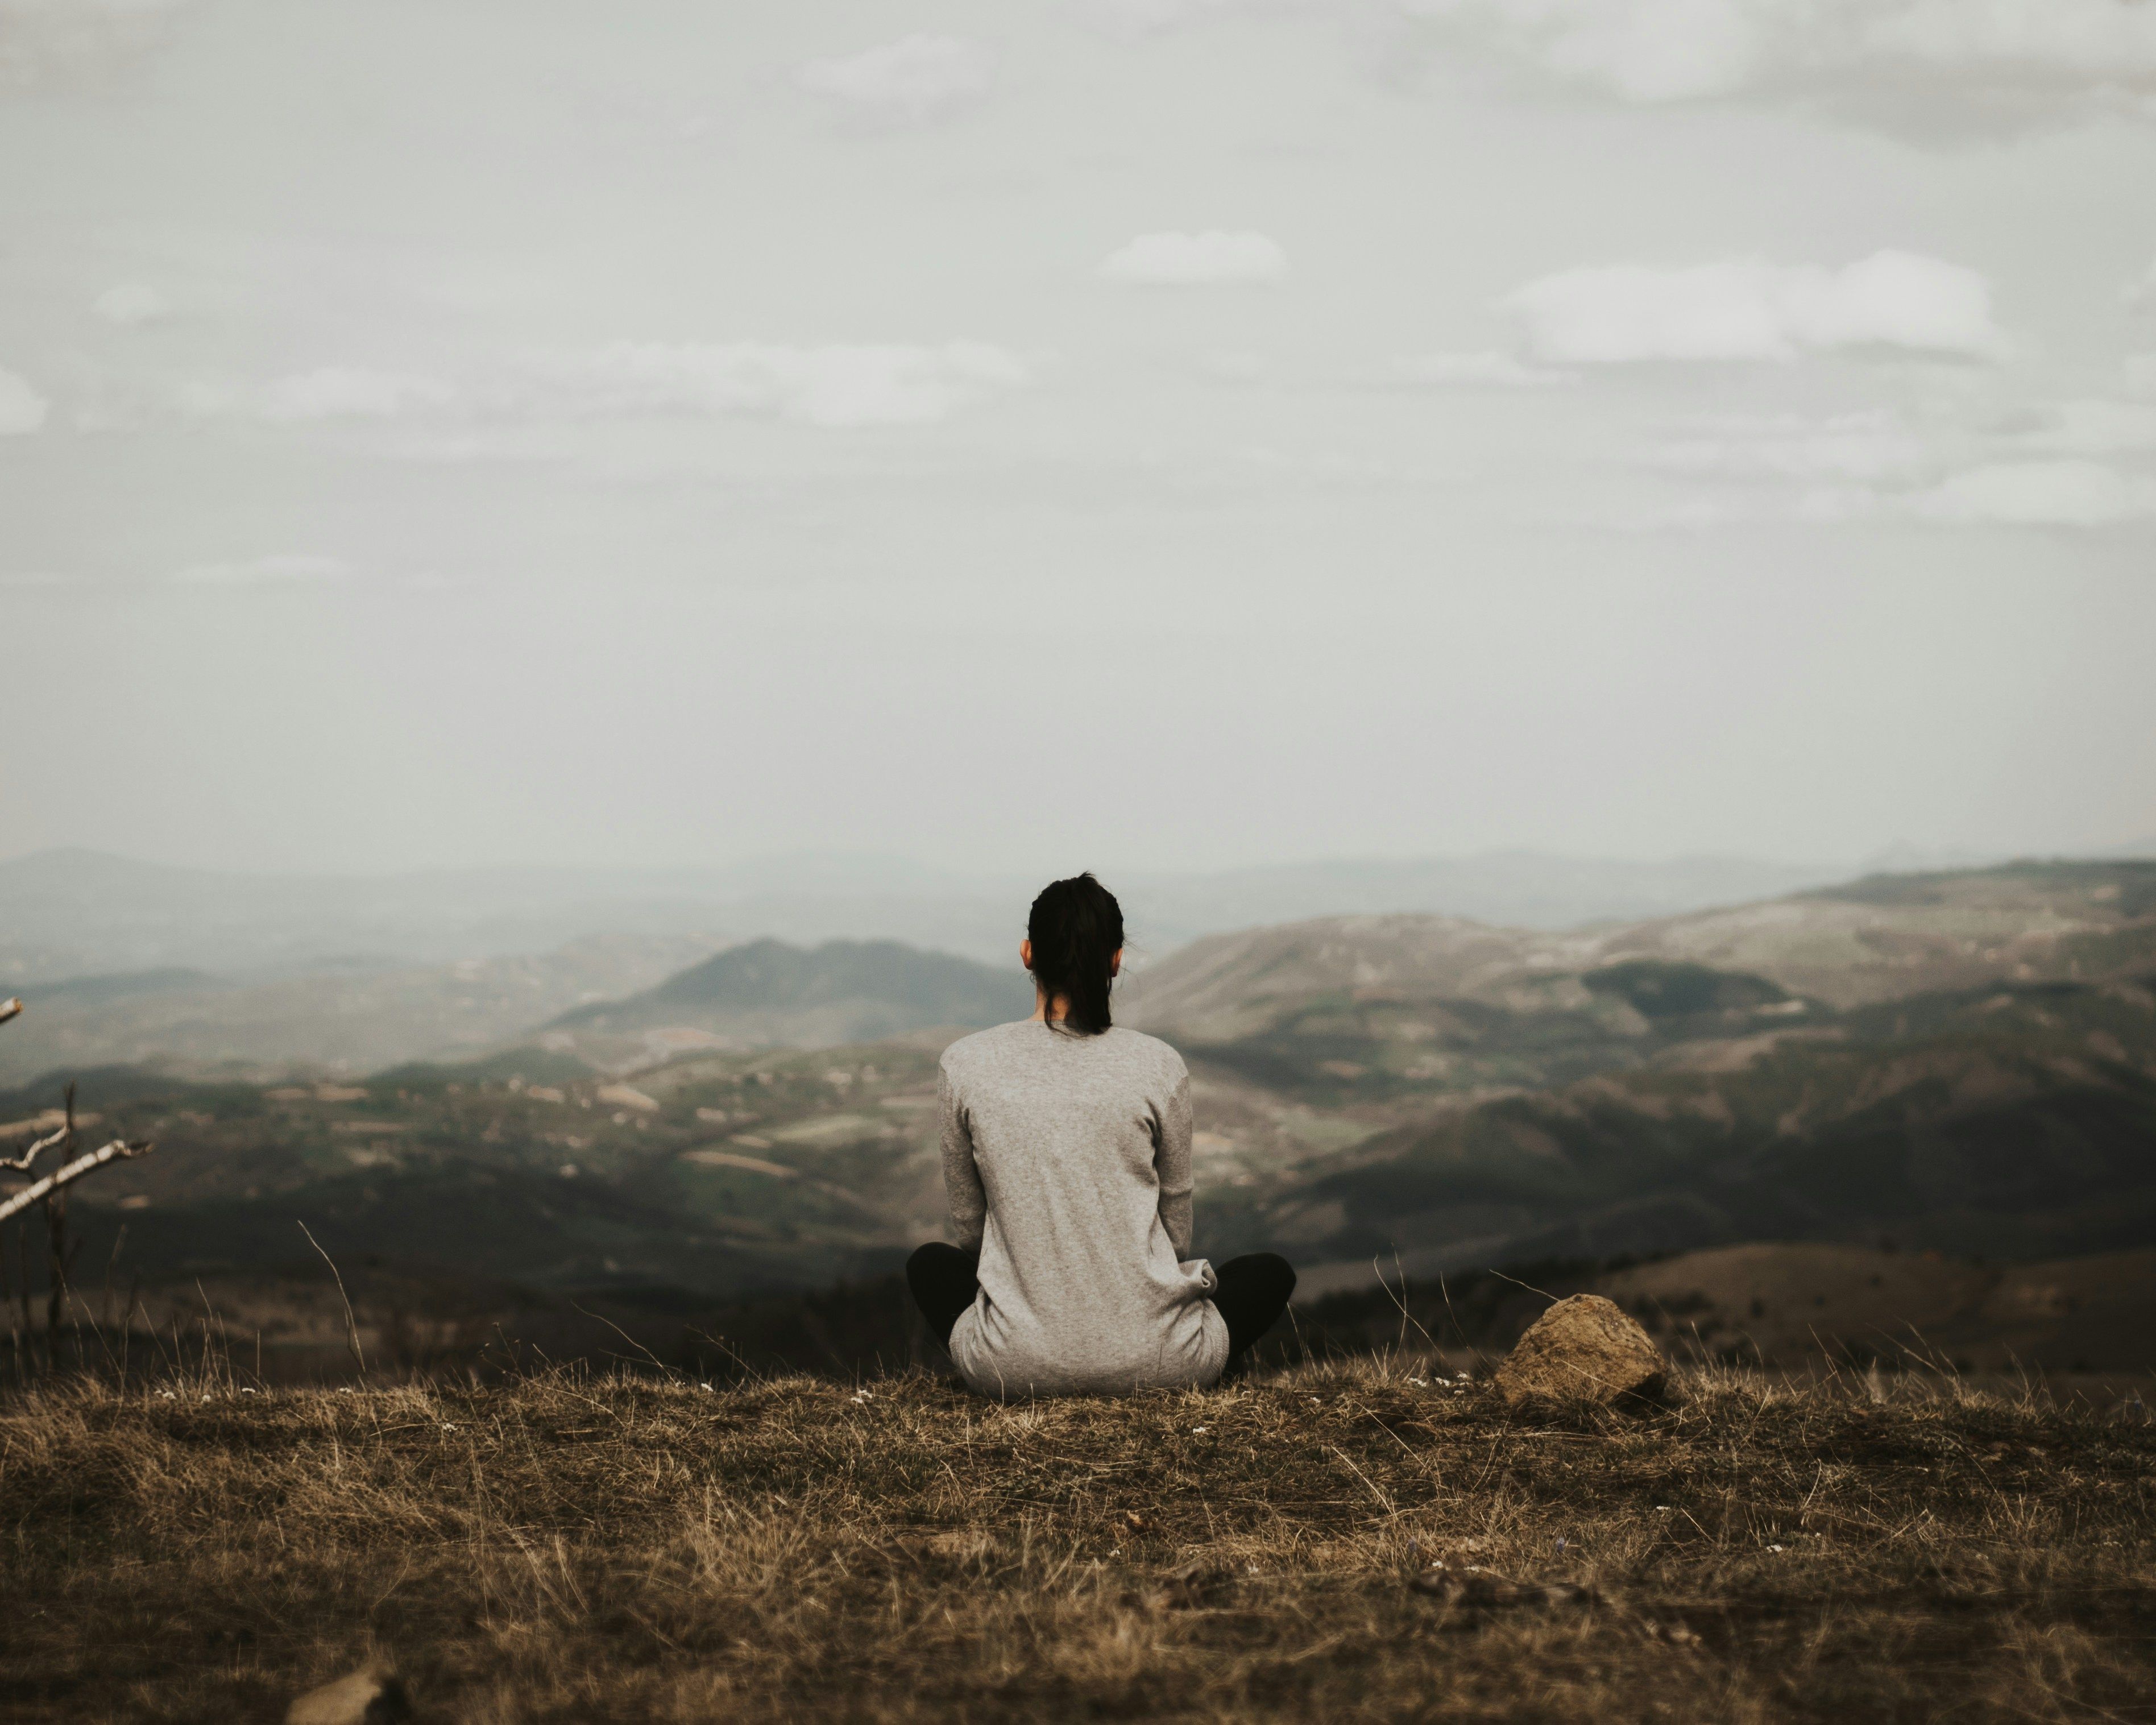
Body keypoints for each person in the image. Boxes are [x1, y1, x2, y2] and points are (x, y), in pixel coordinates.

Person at [906, 872, 1295, 1398]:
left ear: (1027, 954)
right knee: (1268, 1273)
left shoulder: (964, 1064)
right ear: (1116, 960)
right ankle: (1178, 1365)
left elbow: (971, 1230)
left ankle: (1033, 1351)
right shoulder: (1159, 1064)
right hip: (1162, 1362)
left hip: (1013, 1368)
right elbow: (1175, 1230)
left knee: (929, 1265)